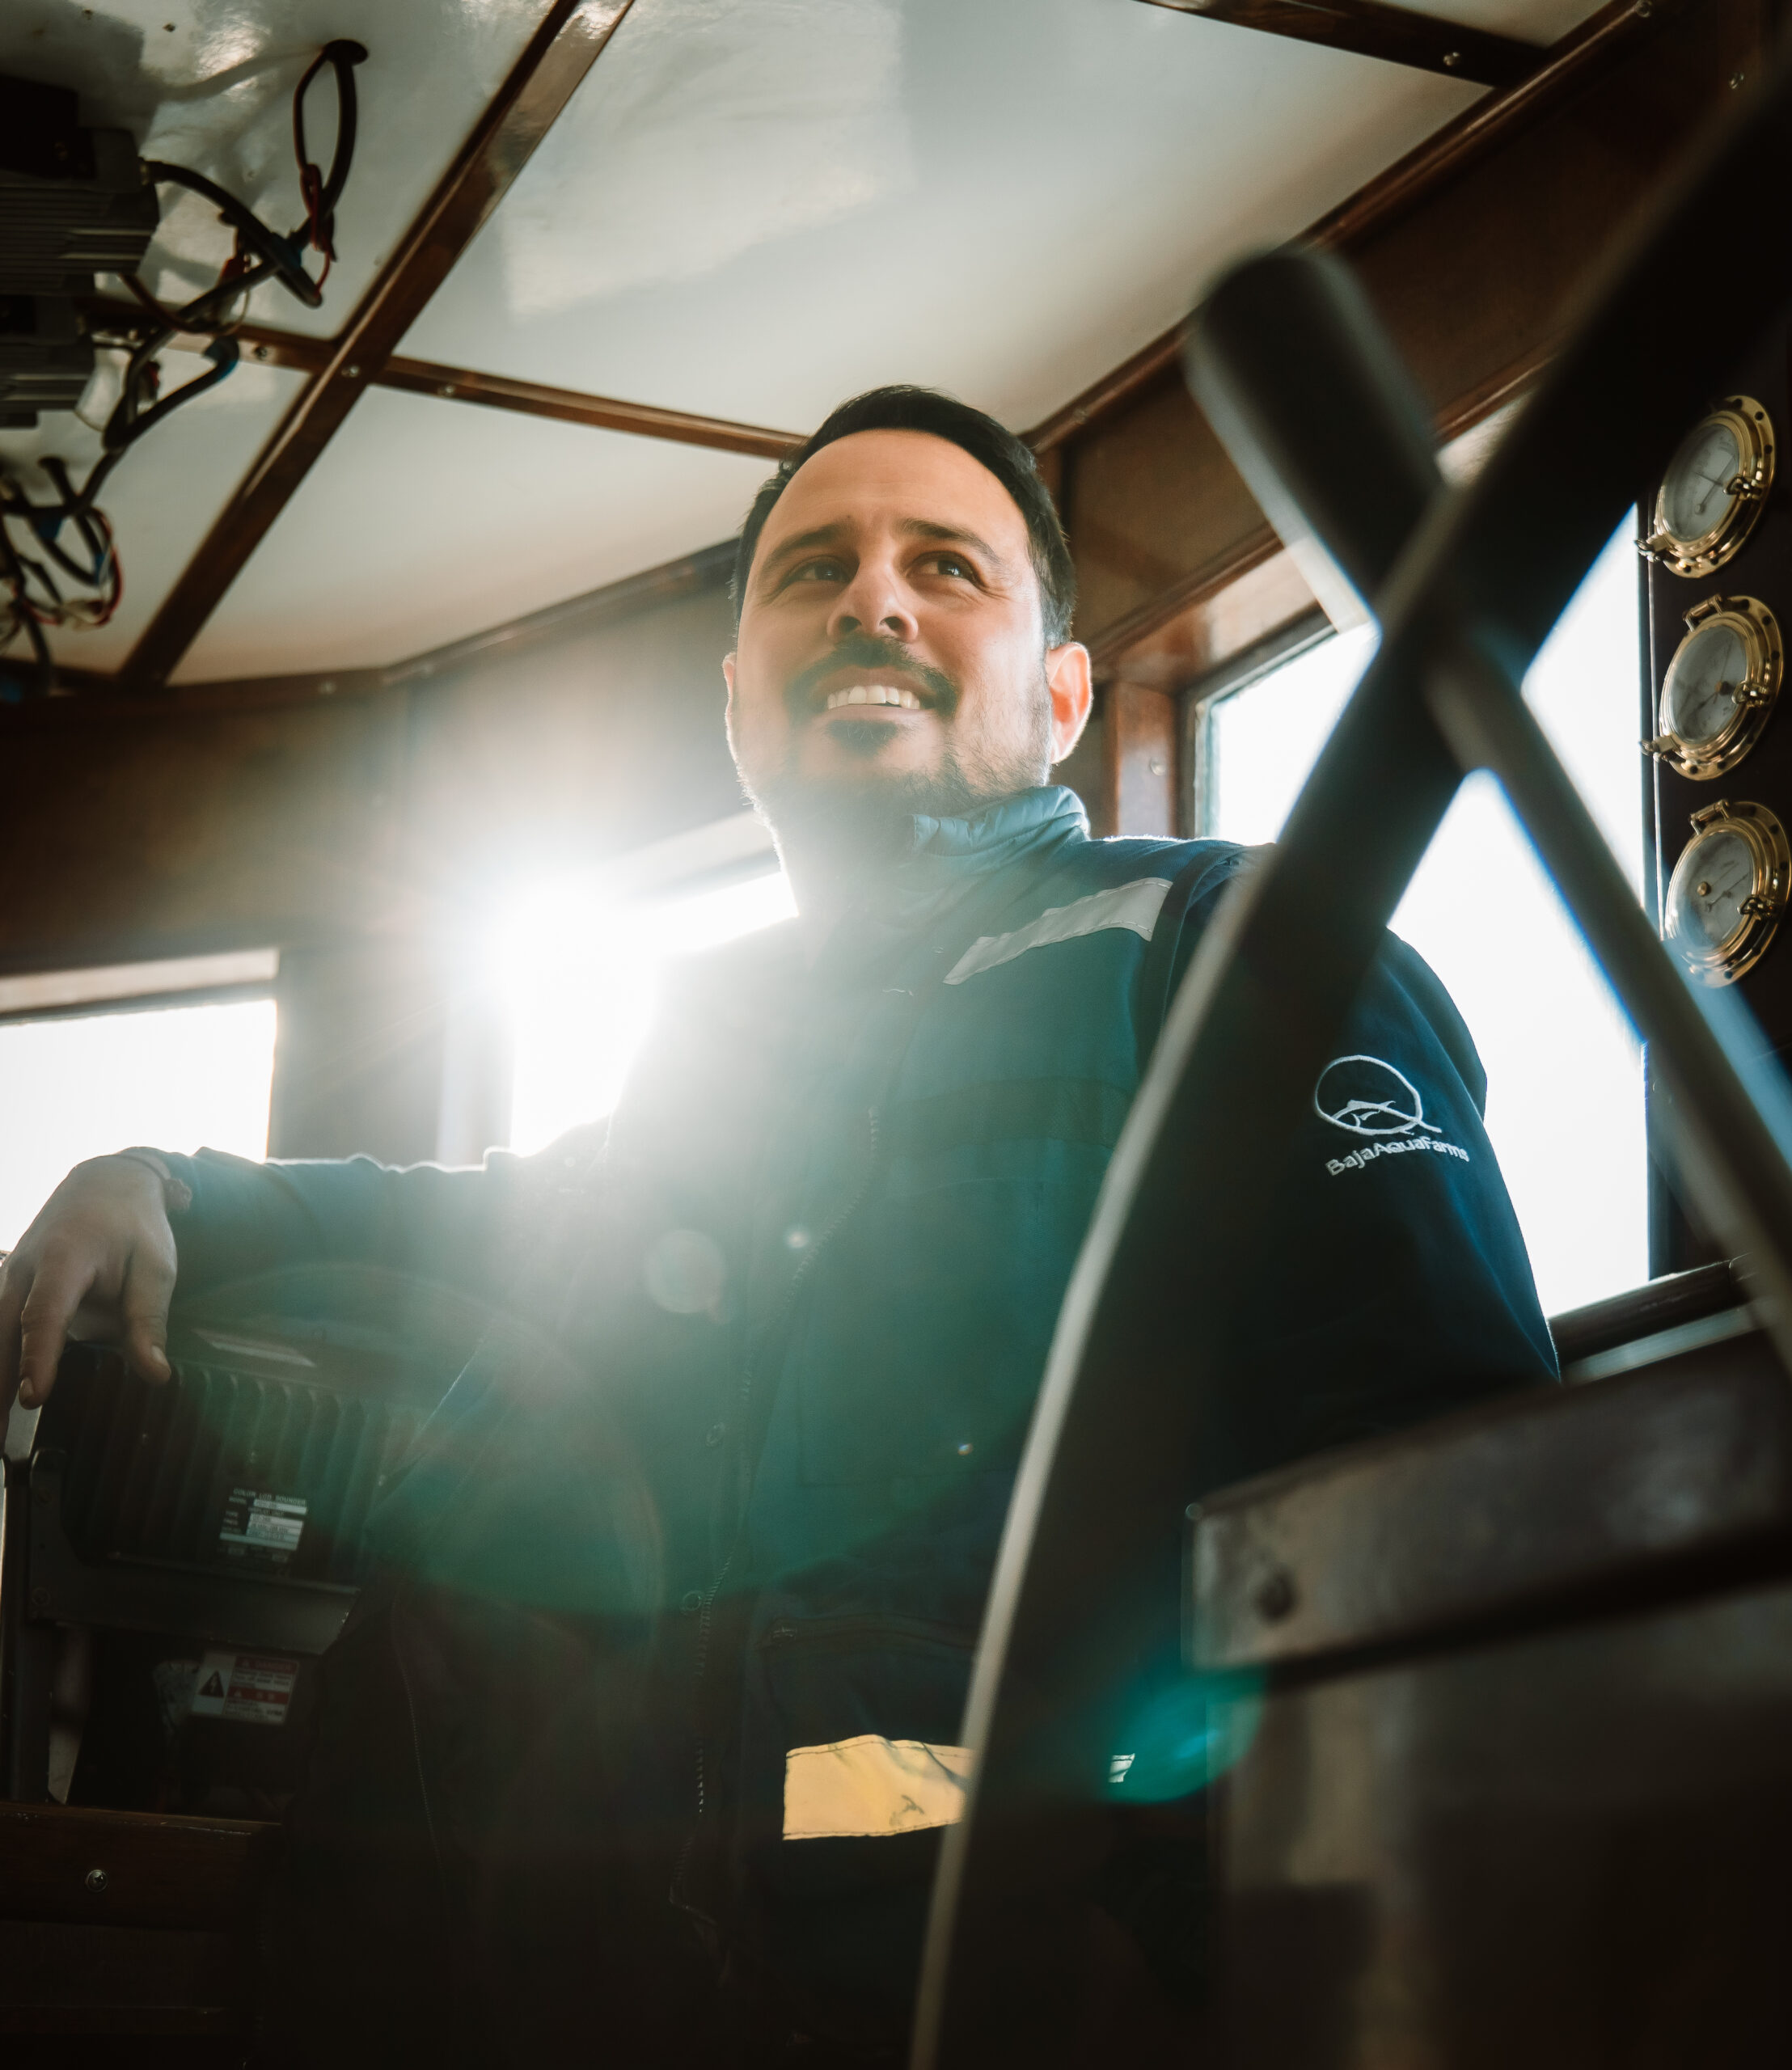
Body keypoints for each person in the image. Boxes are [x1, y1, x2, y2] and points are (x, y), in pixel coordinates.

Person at [0, 387, 1555, 2064]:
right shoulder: (713, 1060)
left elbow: (1454, 1518)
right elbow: (493, 1225)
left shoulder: (1226, 944)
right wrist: (172, 1183)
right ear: (739, 699)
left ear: (1059, 691)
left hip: (1022, 1972)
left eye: (943, 564)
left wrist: (1169, 1921)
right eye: (812, 569)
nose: (870, 600)